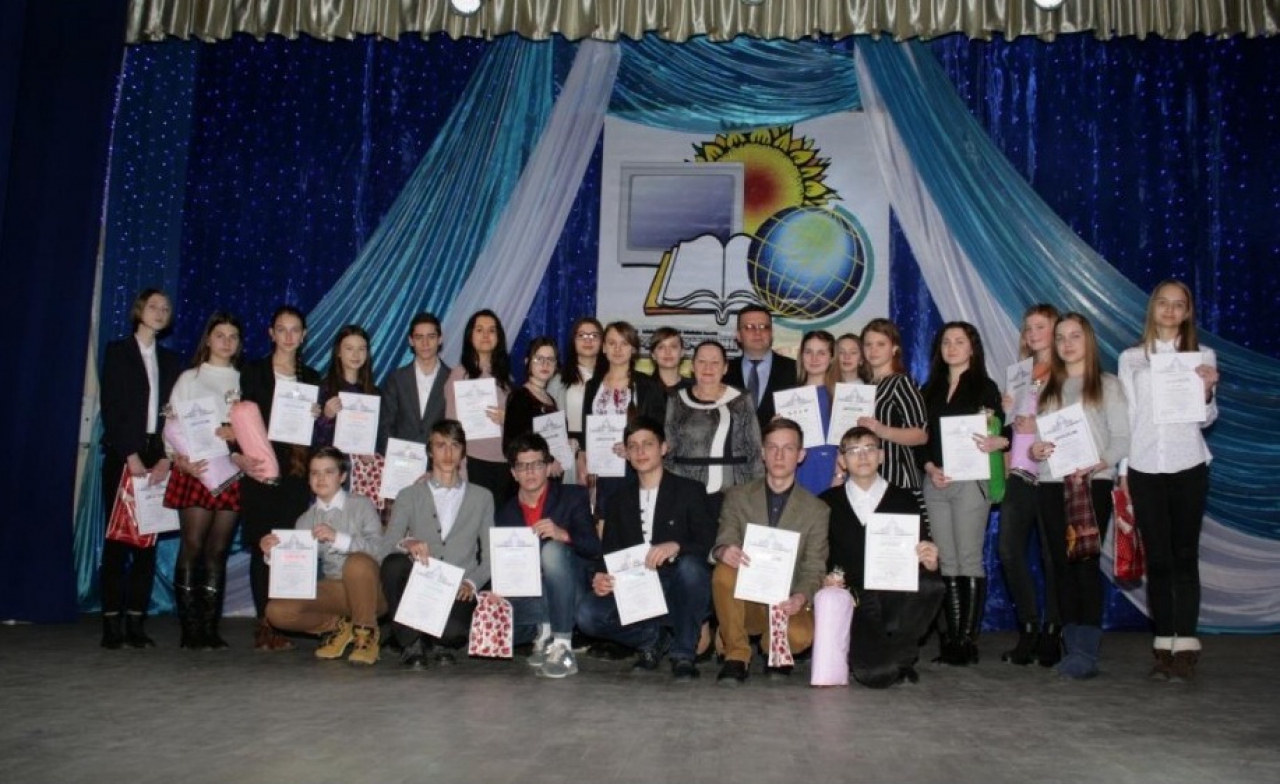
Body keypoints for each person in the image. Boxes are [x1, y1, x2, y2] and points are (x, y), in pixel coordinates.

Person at [1117, 281, 1218, 682]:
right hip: (1144, 465)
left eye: (1179, 305)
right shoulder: (1131, 358)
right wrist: (1124, 471)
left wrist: (1207, 390)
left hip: (1188, 463)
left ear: (1188, 312)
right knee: (1157, 557)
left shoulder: (1202, 355)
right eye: (1164, 303)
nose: (1171, 310)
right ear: (1153, 308)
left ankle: (1186, 643)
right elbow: (1128, 416)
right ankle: (1163, 642)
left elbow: (1206, 419)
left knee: (1184, 555)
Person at [577, 417, 716, 681]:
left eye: (648, 444)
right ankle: (652, 639)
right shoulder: (618, 500)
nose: (640, 451)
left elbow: (708, 541)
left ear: (663, 448)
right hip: (635, 584)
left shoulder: (690, 490)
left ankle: (683, 653)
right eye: (633, 446)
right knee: (587, 614)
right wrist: (600, 576)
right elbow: (609, 552)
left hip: (678, 582)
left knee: (691, 568)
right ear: (627, 454)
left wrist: (677, 546)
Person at [1032, 312, 1129, 679]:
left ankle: (1086, 651)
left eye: (1075, 336)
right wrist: (1037, 450)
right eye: (1060, 338)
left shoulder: (1107, 385)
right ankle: (1071, 645)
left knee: (1084, 563)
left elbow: (1123, 437)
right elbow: (1037, 442)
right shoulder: (1048, 387)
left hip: (1091, 483)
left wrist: (1099, 463)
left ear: (1088, 340)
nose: (1067, 344)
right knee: (1060, 565)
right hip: (1051, 482)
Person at [817, 426, 944, 688]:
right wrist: (827, 578)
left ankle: (903, 657)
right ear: (842, 461)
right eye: (854, 450)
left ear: (882, 456)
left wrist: (930, 561)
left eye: (869, 448)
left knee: (932, 584)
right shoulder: (827, 502)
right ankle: (886, 659)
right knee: (875, 675)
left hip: (896, 594)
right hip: (855, 598)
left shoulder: (906, 499)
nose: (863, 456)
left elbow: (921, 548)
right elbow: (819, 554)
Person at [711, 418, 829, 685]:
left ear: (801, 455)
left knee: (799, 636)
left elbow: (814, 566)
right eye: (773, 447)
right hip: (747, 598)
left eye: (788, 448)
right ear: (762, 453)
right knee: (724, 570)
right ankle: (736, 654)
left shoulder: (817, 510)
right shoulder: (737, 496)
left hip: (786, 602)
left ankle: (772, 648)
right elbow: (724, 537)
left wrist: (800, 597)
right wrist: (724, 550)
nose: (779, 455)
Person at [918, 322, 1007, 665]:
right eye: (946, 341)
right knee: (946, 560)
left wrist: (998, 440)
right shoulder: (929, 389)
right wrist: (930, 467)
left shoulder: (985, 387)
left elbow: (998, 429)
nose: (952, 347)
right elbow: (922, 438)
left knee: (968, 557)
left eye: (959, 341)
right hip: (936, 480)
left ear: (972, 348)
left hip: (971, 481)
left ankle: (967, 641)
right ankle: (952, 640)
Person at [237, 305, 323, 651]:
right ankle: (265, 623)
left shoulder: (312, 378)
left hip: (296, 473)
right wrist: (238, 456)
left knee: (288, 546)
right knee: (263, 545)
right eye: (282, 329)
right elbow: (240, 418)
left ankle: (284, 619)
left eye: (295, 330)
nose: (288, 336)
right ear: (271, 333)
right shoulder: (253, 371)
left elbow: (319, 435)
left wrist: (318, 416)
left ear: (304, 336)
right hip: (259, 469)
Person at [98, 288, 180, 648]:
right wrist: (129, 454)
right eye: (153, 306)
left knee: (148, 544)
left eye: (166, 308)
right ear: (139, 310)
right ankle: (110, 623)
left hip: (156, 455)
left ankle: (136, 622)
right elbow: (112, 406)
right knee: (117, 542)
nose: (160, 312)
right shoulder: (118, 352)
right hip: (124, 454)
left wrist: (165, 456)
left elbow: (174, 416)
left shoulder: (171, 360)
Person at [380, 419, 495, 668]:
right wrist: (408, 542)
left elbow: (490, 556)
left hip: (457, 588)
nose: (448, 453)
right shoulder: (408, 495)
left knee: (453, 633)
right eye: (441, 445)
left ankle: (427, 635)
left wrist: (471, 582)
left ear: (463, 452)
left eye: (455, 445)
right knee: (393, 564)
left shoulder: (483, 497)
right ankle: (411, 642)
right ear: (430, 451)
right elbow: (386, 545)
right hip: (418, 585)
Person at [163, 311, 244, 650]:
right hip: (195, 470)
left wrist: (237, 435)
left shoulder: (243, 379)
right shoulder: (189, 378)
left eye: (233, 336)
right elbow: (171, 424)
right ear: (208, 339)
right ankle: (189, 628)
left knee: (218, 550)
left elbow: (253, 429)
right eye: (220, 335)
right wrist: (177, 459)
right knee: (193, 545)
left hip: (230, 473)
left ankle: (209, 627)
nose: (226, 342)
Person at [490, 433, 601, 678]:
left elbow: (594, 548)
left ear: (549, 467)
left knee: (552, 550)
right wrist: (499, 589)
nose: (530, 472)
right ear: (513, 473)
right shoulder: (505, 512)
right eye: (522, 466)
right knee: (486, 626)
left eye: (537, 464)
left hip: (571, 590)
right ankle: (544, 631)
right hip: (531, 594)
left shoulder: (573, 496)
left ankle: (562, 645)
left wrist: (564, 534)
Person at [263, 447, 386, 665]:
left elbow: (379, 550)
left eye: (328, 472)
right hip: (335, 591)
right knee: (276, 611)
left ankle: (366, 633)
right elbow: (296, 574)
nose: (320, 478)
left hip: (371, 590)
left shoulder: (362, 505)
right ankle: (340, 625)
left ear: (343, 477)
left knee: (356, 563)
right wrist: (273, 553)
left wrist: (338, 538)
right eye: (314, 473)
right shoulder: (304, 520)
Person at [996, 304, 1063, 666]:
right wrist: (1007, 415)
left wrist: (1037, 426)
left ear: (1056, 330)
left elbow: (1078, 423)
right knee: (1008, 549)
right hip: (1021, 471)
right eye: (1028, 328)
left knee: (1054, 556)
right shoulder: (1021, 374)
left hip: (1053, 473)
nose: (1033, 333)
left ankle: (1053, 631)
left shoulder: (1067, 373)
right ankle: (1028, 627)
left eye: (1040, 326)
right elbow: (1014, 426)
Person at [664, 340, 763, 512]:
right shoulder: (676, 399)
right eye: (701, 361)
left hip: (734, 492)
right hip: (686, 491)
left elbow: (754, 450)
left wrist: (758, 493)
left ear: (725, 368)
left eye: (715, 362)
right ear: (692, 366)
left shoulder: (741, 398)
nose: (707, 367)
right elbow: (670, 450)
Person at [582, 321, 666, 515]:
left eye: (624, 343)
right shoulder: (592, 385)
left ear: (634, 349)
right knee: (600, 520)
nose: (618, 349)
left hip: (633, 467)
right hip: (598, 467)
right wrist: (582, 456)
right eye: (612, 343)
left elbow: (658, 429)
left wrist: (632, 447)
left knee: (630, 521)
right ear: (604, 347)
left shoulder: (648, 385)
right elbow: (587, 427)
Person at [445, 309, 513, 503]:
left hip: (504, 462)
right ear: (470, 336)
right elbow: (452, 429)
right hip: (474, 462)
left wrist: (507, 419)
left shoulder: (506, 377)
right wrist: (460, 468)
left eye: (491, 330)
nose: (485, 335)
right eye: (479, 330)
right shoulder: (459, 375)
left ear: (498, 337)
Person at [858, 319, 928, 493]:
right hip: (870, 479)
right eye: (868, 344)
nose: (873, 350)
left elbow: (921, 434)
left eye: (880, 344)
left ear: (894, 348)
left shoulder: (901, 383)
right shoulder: (866, 388)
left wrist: (881, 430)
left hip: (897, 478)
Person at [380, 311, 450, 450]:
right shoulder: (396, 379)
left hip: (440, 459)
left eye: (431, 337)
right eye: (419, 337)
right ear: (411, 341)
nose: (425, 343)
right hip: (401, 458)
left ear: (440, 339)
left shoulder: (452, 379)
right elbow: (385, 425)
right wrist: (395, 456)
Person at [724, 305, 797, 430]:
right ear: (739, 335)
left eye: (764, 327)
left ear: (771, 333)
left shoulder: (795, 370)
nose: (757, 332)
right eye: (749, 327)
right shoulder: (723, 372)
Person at [502, 336, 565, 479]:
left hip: (550, 477)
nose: (545, 364)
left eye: (550, 359)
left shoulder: (550, 399)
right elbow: (511, 446)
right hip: (530, 478)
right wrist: (547, 461)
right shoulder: (519, 397)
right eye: (539, 359)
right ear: (527, 362)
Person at [551, 316, 602, 485]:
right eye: (582, 335)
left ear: (602, 342)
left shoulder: (611, 378)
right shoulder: (558, 380)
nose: (588, 340)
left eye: (594, 335)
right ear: (573, 341)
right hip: (568, 450)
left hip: (602, 447)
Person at [790, 330, 841, 496]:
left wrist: (839, 476)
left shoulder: (841, 396)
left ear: (831, 357)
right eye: (808, 352)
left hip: (831, 475)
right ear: (801, 355)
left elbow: (848, 443)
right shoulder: (789, 399)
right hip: (796, 474)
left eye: (821, 353)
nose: (814, 358)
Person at [648, 326, 691, 394]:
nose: (668, 352)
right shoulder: (643, 388)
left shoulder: (694, 387)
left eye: (673, 346)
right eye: (661, 347)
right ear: (653, 355)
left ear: (682, 352)